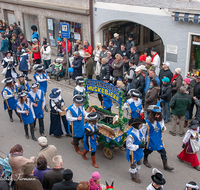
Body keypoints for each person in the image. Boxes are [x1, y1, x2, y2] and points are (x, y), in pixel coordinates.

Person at [143, 105, 174, 171]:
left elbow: (163, 126)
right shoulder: (147, 122)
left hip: (158, 139)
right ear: (153, 115)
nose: (158, 116)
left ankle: (165, 165)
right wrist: (143, 141)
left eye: (159, 115)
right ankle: (145, 160)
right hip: (150, 140)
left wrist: (163, 129)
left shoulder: (161, 119)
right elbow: (144, 132)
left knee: (163, 152)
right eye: (156, 115)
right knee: (147, 151)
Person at [126, 117, 145, 183]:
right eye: (140, 124)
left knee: (139, 162)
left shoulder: (139, 130)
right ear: (136, 125)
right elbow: (128, 145)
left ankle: (135, 172)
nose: (141, 125)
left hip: (139, 151)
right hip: (133, 152)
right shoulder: (130, 135)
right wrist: (138, 146)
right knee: (133, 164)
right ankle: (133, 177)